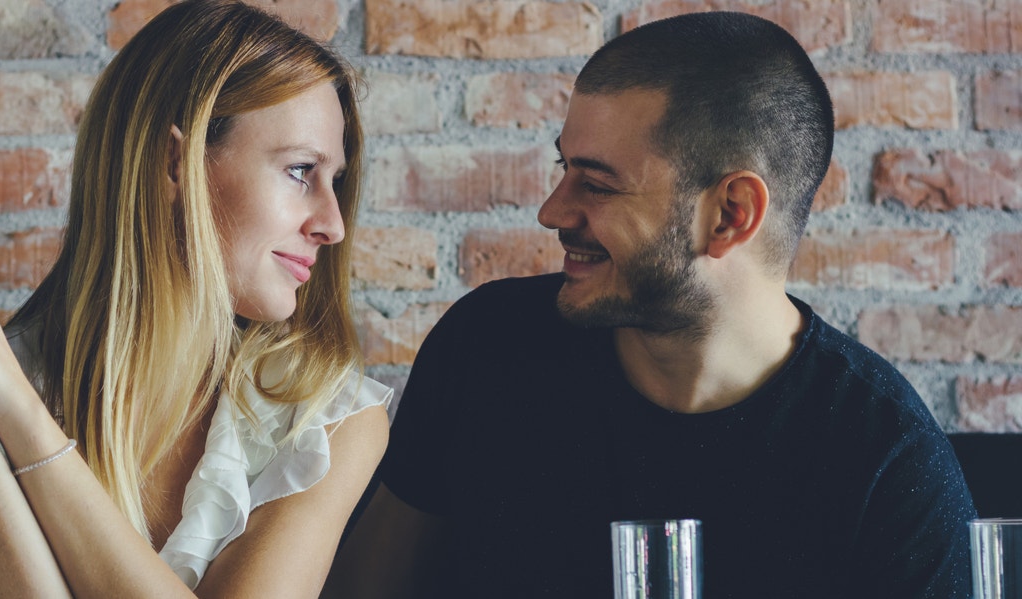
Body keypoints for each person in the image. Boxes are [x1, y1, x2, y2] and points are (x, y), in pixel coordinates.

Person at [325, 11, 976, 599]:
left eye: (598, 184)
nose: (552, 210)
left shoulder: (886, 464)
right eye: (564, 168)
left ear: (730, 214)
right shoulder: (489, 344)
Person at [0, 2, 391, 597]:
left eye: (334, 179)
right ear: (174, 162)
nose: (332, 224)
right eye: (300, 170)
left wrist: (14, 408)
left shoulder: (330, 423)